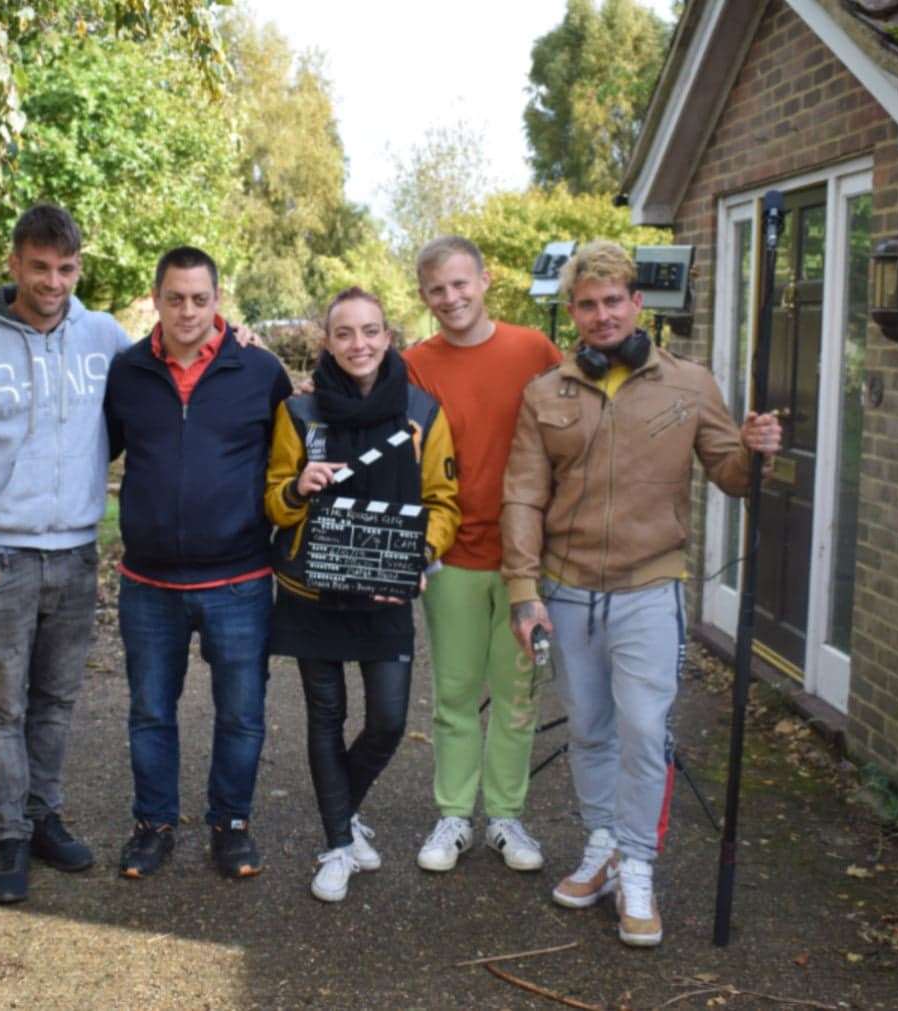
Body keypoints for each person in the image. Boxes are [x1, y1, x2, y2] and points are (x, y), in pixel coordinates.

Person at [500, 239, 781, 947]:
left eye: (613, 300)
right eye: (588, 304)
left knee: (644, 731)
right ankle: (601, 844)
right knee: (589, 729)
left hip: (650, 590)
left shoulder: (689, 385)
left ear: (637, 303)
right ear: (573, 312)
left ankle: (639, 865)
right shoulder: (546, 393)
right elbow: (525, 496)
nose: (602, 315)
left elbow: (733, 476)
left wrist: (756, 448)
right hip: (566, 593)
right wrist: (524, 590)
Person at [0, 203, 131, 904]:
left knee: (57, 701)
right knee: (1, 705)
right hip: (1, 558)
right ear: (14, 263)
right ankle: (7, 835)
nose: (52, 281)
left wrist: (235, 335)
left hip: (74, 555)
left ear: (79, 267)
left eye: (66, 268)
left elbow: (171, 372)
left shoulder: (103, 337)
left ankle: (45, 818)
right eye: (39, 266)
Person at [264, 287, 461, 903]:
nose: (359, 344)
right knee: (324, 717)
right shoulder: (298, 414)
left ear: (388, 336)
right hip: (312, 591)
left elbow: (444, 503)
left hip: (384, 593)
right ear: (327, 340)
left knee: (388, 720)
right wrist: (298, 488)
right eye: (345, 333)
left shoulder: (423, 413)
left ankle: (342, 812)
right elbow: (272, 501)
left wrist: (418, 553)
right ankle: (337, 843)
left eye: (370, 331)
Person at [104, 246, 293, 880]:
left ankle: (231, 825)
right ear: (156, 298)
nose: (188, 311)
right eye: (175, 298)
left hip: (238, 580)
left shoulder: (260, 371)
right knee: (151, 713)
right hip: (149, 585)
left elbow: (290, 459)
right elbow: (96, 451)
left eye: (200, 299)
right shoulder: (127, 372)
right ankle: (153, 824)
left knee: (240, 715)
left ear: (219, 301)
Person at [403, 236, 563, 874]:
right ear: (424, 296)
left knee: (517, 690)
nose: (452, 298)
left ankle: (505, 815)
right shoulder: (415, 362)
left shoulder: (533, 350)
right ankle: (453, 813)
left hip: (525, 559)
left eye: (461, 284)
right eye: (438, 289)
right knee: (456, 692)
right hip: (453, 555)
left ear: (485, 280)